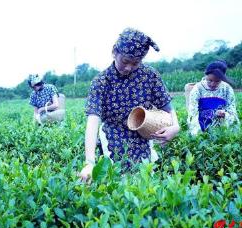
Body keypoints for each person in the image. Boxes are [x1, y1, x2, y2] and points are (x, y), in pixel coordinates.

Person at [79, 28, 180, 181]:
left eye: (135, 63)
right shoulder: (101, 82)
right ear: (114, 52)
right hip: (114, 135)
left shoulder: (149, 75)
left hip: (143, 136)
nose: (128, 68)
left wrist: (176, 127)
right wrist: (89, 162)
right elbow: (93, 120)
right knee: (117, 181)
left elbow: (167, 105)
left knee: (145, 181)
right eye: (125, 61)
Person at [187, 60, 239, 135]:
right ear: (205, 75)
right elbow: (192, 113)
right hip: (200, 126)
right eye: (209, 80)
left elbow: (232, 112)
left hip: (221, 129)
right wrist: (198, 134)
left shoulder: (227, 89)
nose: (212, 84)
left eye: (217, 81)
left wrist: (225, 114)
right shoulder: (197, 89)